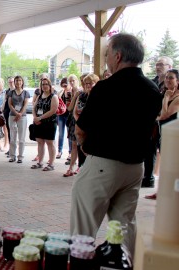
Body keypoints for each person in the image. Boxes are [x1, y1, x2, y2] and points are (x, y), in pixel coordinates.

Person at [71, 33, 162, 256]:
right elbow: (151, 128)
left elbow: (81, 128)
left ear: (118, 56)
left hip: (103, 164)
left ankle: (80, 262)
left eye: (107, 54)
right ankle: (126, 262)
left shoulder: (105, 88)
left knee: (84, 225)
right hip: (134, 167)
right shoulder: (152, 89)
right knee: (124, 224)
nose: (106, 59)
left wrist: (84, 145)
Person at [145, 68, 179, 200]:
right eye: (166, 78)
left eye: (171, 78)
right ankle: (160, 191)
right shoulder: (167, 94)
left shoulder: (176, 97)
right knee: (165, 163)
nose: (168, 80)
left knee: (171, 164)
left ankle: (167, 193)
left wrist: (165, 98)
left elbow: (164, 114)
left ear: (177, 81)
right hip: (163, 132)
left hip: (173, 135)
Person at [142, 56, 174, 189]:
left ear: (169, 67)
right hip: (151, 121)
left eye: (161, 64)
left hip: (167, 122)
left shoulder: (172, 87)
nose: (158, 66)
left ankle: (166, 185)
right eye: (156, 64)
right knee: (149, 150)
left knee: (166, 153)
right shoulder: (151, 82)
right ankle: (148, 177)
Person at [63, 73, 99, 177]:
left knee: (88, 148)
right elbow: (73, 111)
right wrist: (80, 122)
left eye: (91, 83)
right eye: (86, 83)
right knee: (76, 145)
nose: (88, 85)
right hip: (78, 124)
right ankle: (73, 167)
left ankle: (88, 169)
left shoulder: (98, 96)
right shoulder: (81, 95)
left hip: (90, 127)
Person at [31, 77, 58, 171]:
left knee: (50, 143)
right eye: (43, 84)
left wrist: (40, 118)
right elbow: (34, 108)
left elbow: (53, 110)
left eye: (46, 84)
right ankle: (40, 162)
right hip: (39, 123)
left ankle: (51, 164)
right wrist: (35, 117)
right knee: (40, 142)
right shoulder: (39, 96)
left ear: (50, 85)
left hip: (49, 123)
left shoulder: (53, 96)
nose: (44, 86)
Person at [7, 75, 30, 163]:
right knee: (12, 136)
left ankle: (20, 156)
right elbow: (10, 104)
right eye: (16, 80)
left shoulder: (26, 93)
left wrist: (20, 114)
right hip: (12, 116)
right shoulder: (11, 92)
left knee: (21, 138)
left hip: (22, 117)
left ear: (22, 82)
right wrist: (16, 113)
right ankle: (12, 156)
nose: (18, 82)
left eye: (20, 80)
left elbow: (25, 104)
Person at [56, 77, 72, 160]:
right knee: (61, 134)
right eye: (63, 86)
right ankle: (59, 151)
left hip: (69, 115)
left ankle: (70, 152)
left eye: (66, 85)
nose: (64, 87)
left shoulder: (72, 92)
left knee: (69, 134)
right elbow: (58, 102)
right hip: (61, 115)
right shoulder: (61, 92)